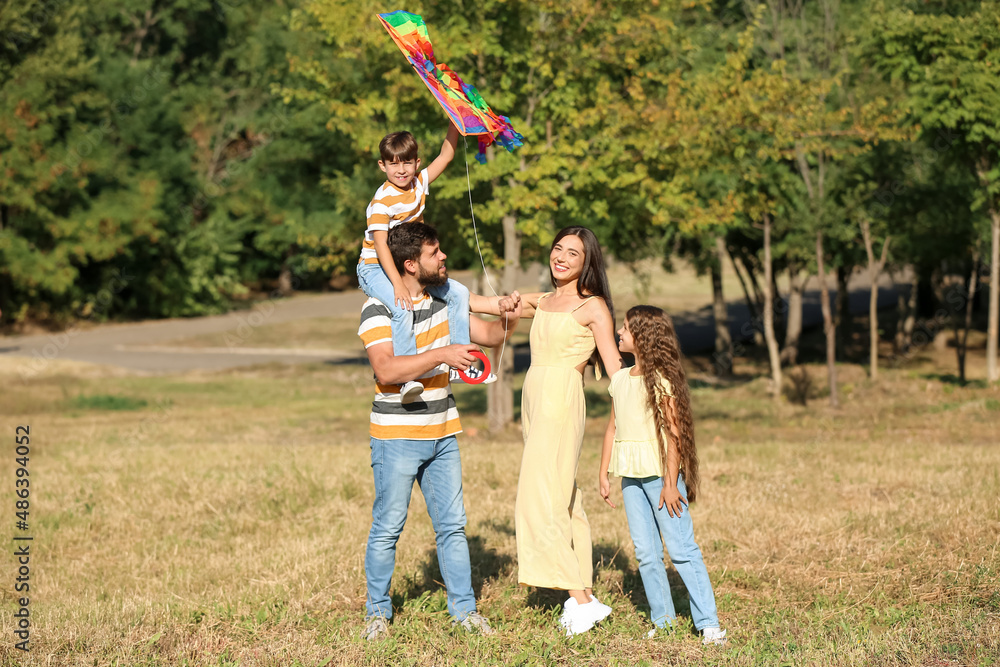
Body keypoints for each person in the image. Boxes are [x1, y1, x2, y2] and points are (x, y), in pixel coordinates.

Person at [357, 222, 521, 642]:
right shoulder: (377, 307)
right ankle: (377, 614)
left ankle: (464, 612)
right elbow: (387, 369)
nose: (444, 256)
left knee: (452, 527)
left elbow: (489, 335)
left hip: (443, 432)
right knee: (388, 527)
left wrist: (509, 317)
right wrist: (443, 353)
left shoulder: (444, 302)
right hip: (395, 437)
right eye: (435, 252)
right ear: (410, 265)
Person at [491, 226, 624, 636]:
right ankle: (583, 592)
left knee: (540, 496)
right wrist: (435, 288)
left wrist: (637, 417)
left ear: (587, 263)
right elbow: (493, 303)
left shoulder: (592, 307)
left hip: (562, 400)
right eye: (558, 249)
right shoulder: (545, 300)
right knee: (562, 495)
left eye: (573, 253)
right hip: (534, 398)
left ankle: (579, 601)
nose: (562, 257)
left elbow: (616, 370)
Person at [598, 305, 727, 645]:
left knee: (682, 550)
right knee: (646, 553)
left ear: (642, 337)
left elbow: (674, 436)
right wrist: (604, 473)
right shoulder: (620, 380)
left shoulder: (663, 383)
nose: (620, 333)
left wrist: (671, 485)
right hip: (631, 480)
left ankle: (709, 623)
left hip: (660, 480)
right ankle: (664, 621)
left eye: (625, 328)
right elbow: (612, 428)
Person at [356, 125, 495, 405]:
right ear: (382, 166)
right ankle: (407, 376)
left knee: (457, 294)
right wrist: (397, 284)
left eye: (408, 162)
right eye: (394, 164)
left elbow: (445, 155)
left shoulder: (419, 184)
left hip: (409, 265)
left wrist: (455, 124)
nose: (402, 170)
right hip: (374, 267)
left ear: (416, 162)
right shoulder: (381, 202)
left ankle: (459, 360)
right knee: (402, 306)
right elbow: (381, 245)